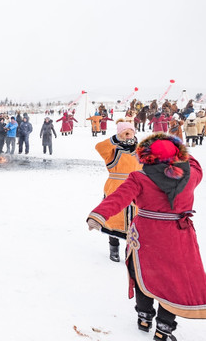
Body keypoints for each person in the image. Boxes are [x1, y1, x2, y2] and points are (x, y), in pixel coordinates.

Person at [87, 133, 206, 340]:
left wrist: (98, 215)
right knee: (173, 282)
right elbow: (193, 162)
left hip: (145, 235)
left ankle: (144, 317)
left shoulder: (139, 177)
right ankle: (164, 329)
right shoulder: (191, 175)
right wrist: (177, 145)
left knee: (142, 273)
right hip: (178, 236)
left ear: (146, 157)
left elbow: (119, 197)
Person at [94, 120, 142, 262]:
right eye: (125, 132)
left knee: (135, 221)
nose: (128, 135)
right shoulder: (113, 150)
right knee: (115, 219)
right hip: (116, 187)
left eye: (130, 132)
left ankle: (130, 250)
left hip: (137, 189)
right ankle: (113, 249)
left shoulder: (140, 150)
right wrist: (117, 139)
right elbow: (99, 147)